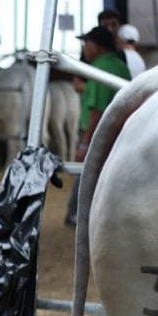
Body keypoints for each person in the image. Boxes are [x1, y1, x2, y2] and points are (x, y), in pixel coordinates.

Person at [64, 26, 130, 226]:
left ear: (97, 46)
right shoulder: (121, 66)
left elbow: (97, 111)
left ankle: (76, 214)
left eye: (87, 43)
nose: (84, 48)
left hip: (98, 132)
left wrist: (85, 143)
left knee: (86, 172)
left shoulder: (98, 68)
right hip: (122, 130)